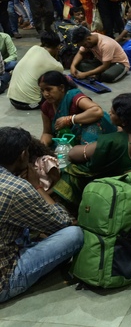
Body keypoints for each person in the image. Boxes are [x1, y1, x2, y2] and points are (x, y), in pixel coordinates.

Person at [0, 127, 83, 303]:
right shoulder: (17, 189)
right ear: (23, 155)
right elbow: (64, 224)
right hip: (4, 281)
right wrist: (36, 186)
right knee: (74, 235)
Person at [52, 93, 131, 213]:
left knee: (73, 170)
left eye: (112, 113)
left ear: (123, 121)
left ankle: (72, 210)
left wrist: (82, 146)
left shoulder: (114, 141)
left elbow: (72, 154)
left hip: (120, 183)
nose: (109, 112)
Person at [38, 71, 116, 147]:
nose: (45, 94)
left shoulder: (73, 96)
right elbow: (47, 133)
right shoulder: (46, 107)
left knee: (92, 127)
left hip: (89, 133)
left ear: (61, 88)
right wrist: (42, 146)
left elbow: (97, 111)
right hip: (71, 138)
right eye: (42, 90)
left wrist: (69, 119)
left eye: (49, 89)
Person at [8, 32, 63, 110]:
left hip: (12, 100)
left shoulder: (33, 48)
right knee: (60, 86)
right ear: (58, 47)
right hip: (30, 103)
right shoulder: (56, 65)